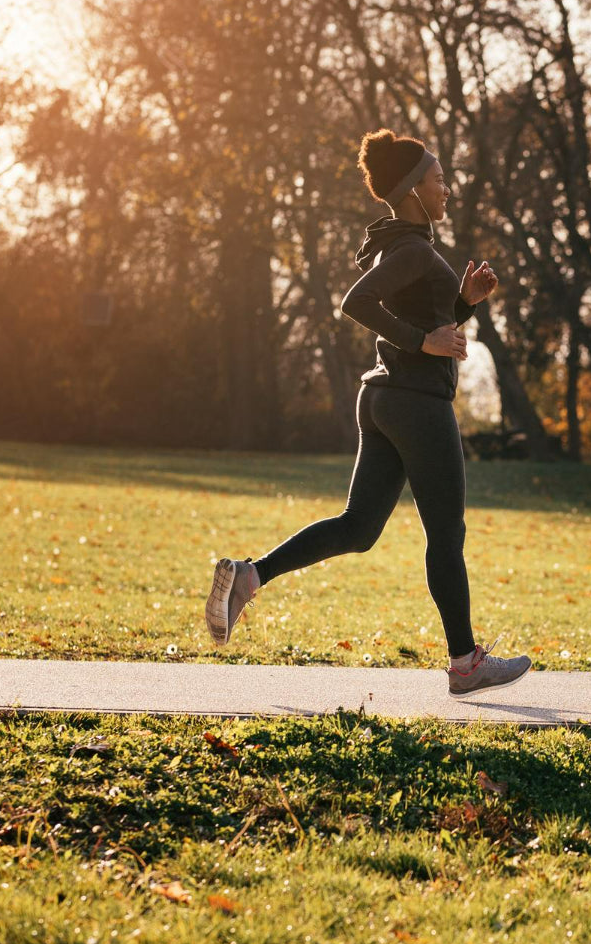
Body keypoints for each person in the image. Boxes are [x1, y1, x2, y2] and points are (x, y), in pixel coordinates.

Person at [203, 128, 532, 698]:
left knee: (358, 527)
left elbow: (431, 323)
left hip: (384, 398)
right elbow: (357, 302)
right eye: (437, 179)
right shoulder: (410, 249)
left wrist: (463, 305)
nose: (447, 188)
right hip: (416, 404)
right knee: (445, 534)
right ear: (412, 190)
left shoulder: (400, 244)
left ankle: (250, 576)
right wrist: (422, 342)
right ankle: (465, 662)